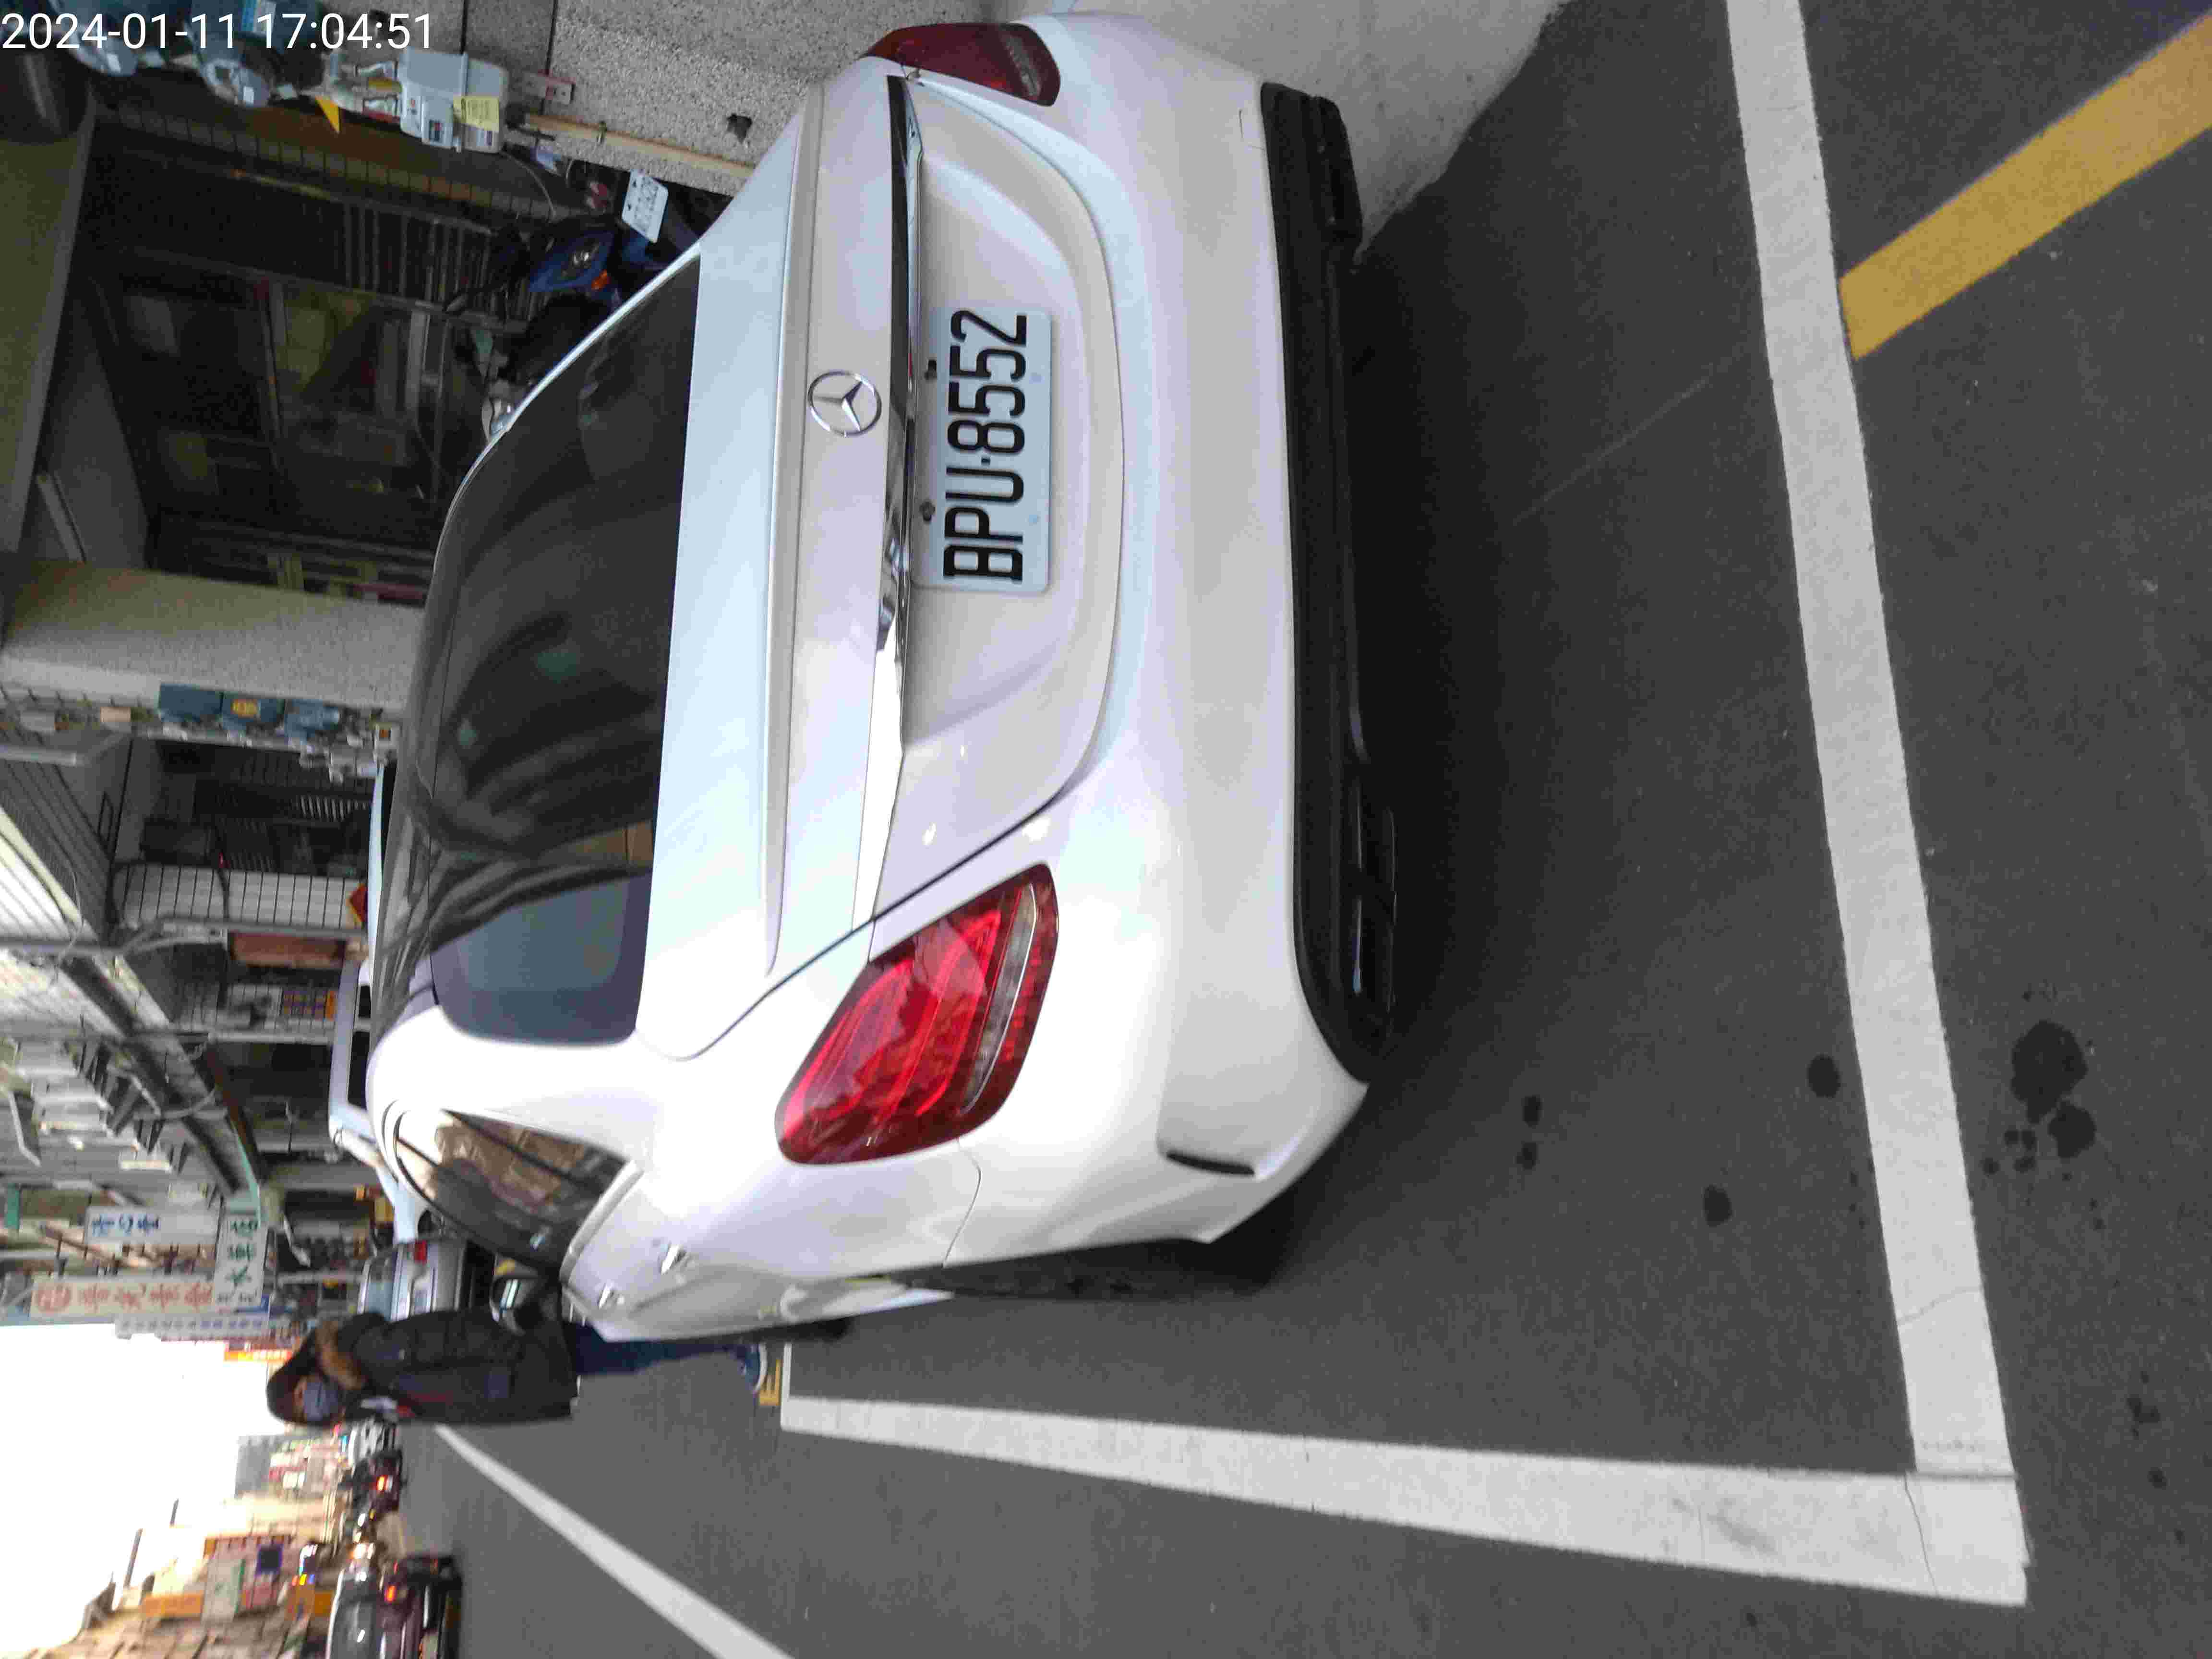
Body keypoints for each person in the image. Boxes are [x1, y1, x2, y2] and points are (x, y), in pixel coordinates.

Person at [265, 1302, 767, 1429]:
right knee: (631, 1350)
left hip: (525, 1356)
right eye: (302, 1411)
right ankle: (727, 1331)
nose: (310, 1404)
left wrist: (515, 1351)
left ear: (304, 1372)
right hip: (518, 1379)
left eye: (301, 1394)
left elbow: (447, 1333)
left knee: (633, 1348)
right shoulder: (365, 1396)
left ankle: (733, 1337)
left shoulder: (363, 1352)